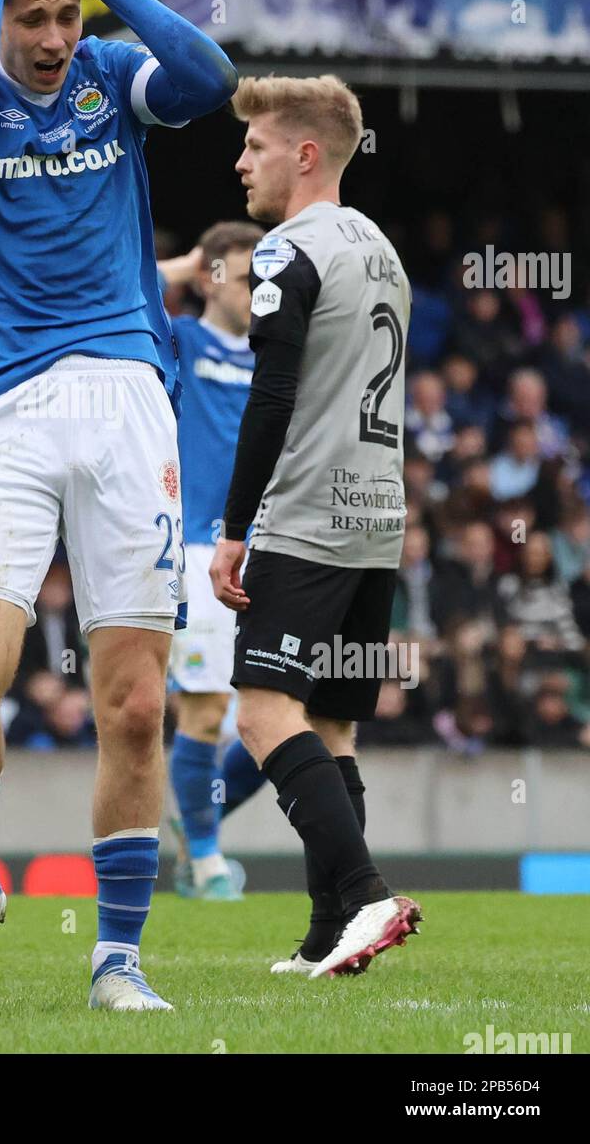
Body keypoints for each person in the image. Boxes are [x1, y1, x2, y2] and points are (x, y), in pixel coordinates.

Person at [0, 0, 237, 1010]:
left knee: (136, 705)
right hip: (4, 401)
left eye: (64, 18)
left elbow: (208, 77)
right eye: (31, 19)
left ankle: (117, 959)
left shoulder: (108, 71)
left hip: (125, 397)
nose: (52, 40)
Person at [209, 75, 422, 979]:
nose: (239, 161)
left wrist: (233, 527)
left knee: (262, 714)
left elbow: (274, 396)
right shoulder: (381, 248)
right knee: (332, 729)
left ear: (304, 155)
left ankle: (368, 895)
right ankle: (331, 931)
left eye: (255, 147)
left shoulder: (287, 252)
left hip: (308, 519)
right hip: (379, 519)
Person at [157, 223, 267, 900]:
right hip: (197, 548)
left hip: (268, 551)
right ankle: (205, 860)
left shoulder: (276, 355)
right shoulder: (181, 341)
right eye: (249, 277)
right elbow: (120, 289)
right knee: (202, 712)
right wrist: (186, 263)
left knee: (288, 720)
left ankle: (194, 819)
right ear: (210, 279)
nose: (261, 291)